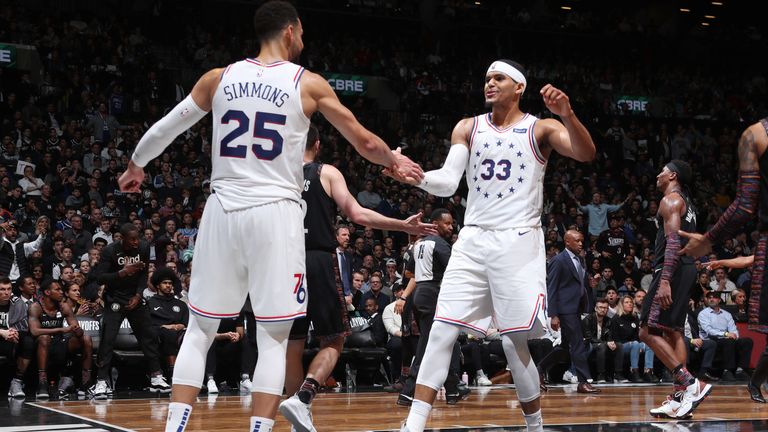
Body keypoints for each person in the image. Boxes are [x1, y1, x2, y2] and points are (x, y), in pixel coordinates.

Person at [116, 3, 422, 431]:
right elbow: (363, 140)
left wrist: (135, 165)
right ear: (291, 31)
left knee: (200, 328)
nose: (304, 40)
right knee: (274, 337)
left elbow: (167, 127)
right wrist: (394, 161)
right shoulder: (307, 84)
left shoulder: (218, 78)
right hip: (276, 215)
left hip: (222, 210)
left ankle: (174, 427)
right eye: (303, 33)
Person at [395, 59, 596, 432]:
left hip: (517, 241)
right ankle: (414, 424)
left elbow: (586, 153)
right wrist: (419, 177)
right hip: (473, 237)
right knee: (441, 329)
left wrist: (567, 113)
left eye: (498, 78)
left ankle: (534, 425)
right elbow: (449, 181)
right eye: (487, 77)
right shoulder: (468, 127)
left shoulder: (541, 128)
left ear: (518, 86)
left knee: (513, 344)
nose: (490, 83)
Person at [279, 124, 433, 431]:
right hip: (319, 259)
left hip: (284, 261)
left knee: (291, 344)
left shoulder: (280, 174)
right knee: (334, 338)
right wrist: (403, 226)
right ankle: (305, 397)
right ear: (318, 144)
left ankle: (297, 408)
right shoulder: (327, 173)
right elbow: (359, 215)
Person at [637, 161, 710, 419]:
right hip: (686, 267)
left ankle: (690, 384)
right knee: (674, 332)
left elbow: (673, 242)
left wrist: (665, 279)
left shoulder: (670, 200)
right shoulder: (687, 204)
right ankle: (680, 400)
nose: (658, 174)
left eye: (662, 170)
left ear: (672, 175)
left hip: (672, 268)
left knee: (646, 330)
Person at [396, 209, 469, 407]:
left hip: (420, 293)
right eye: (447, 223)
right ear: (436, 224)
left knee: (446, 341)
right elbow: (455, 273)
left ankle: (453, 389)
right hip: (434, 294)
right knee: (428, 345)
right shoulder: (442, 245)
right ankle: (408, 392)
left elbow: (409, 272)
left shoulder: (418, 244)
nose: (451, 227)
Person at [90, 223, 170, 398]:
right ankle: (101, 382)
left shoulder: (143, 246)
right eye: (132, 239)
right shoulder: (110, 251)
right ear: (122, 238)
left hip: (134, 297)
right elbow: (100, 277)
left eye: (137, 238)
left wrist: (139, 295)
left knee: (148, 337)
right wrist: (123, 273)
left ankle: (156, 376)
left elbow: (142, 274)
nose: (136, 242)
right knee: (108, 340)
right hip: (115, 299)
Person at [537, 230, 599, 394]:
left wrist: (590, 283)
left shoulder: (579, 259)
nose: (580, 244)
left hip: (575, 308)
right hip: (565, 310)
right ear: (567, 242)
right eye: (577, 241)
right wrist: (553, 315)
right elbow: (552, 288)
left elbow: (578, 282)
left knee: (565, 347)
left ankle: (539, 369)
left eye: (582, 241)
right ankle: (583, 382)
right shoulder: (559, 260)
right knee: (578, 343)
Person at [27, 279, 93, 399]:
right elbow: (34, 331)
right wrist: (62, 330)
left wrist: (78, 331)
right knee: (44, 338)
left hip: (60, 343)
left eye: (61, 289)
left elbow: (75, 328)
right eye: (57, 290)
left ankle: (86, 383)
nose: (61, 292)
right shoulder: (35, 307)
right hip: (41, 346)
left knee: (86, 338)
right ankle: (42, 383)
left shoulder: (64, 306)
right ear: (47, 292)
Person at [582, 297, 626, 383]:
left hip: (603, 344)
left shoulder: (608, 320)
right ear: (595, 308)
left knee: (619, 345)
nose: (603, 310)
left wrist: (611, 342)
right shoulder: (587, 319)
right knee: (602, 346)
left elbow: (610, 336)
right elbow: (589, 337)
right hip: (590, 344)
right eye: (600, 307)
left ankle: (618, 374)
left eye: (605, 308)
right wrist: (606, 343)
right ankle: (600, 375)